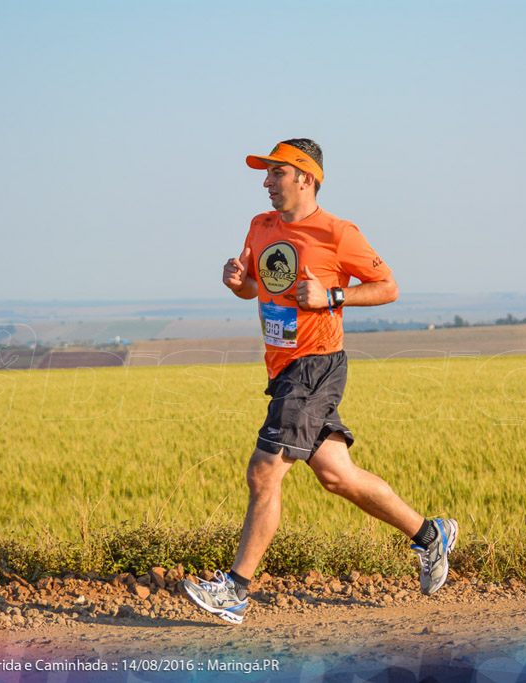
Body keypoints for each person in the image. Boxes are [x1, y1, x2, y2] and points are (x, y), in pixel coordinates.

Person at [181, 138, 457, 624]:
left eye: (275, 174)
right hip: (282, 366)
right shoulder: (260, 226)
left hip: (316, 364)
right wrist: (236, 282)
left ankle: (236, 590)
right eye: (265, 175)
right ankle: (430, 535)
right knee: (337, 476)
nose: (266, 183)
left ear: (305, 177)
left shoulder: (338, 232)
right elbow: (256, 289)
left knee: (264, 471)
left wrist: (332, 295)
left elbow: (388, 287)